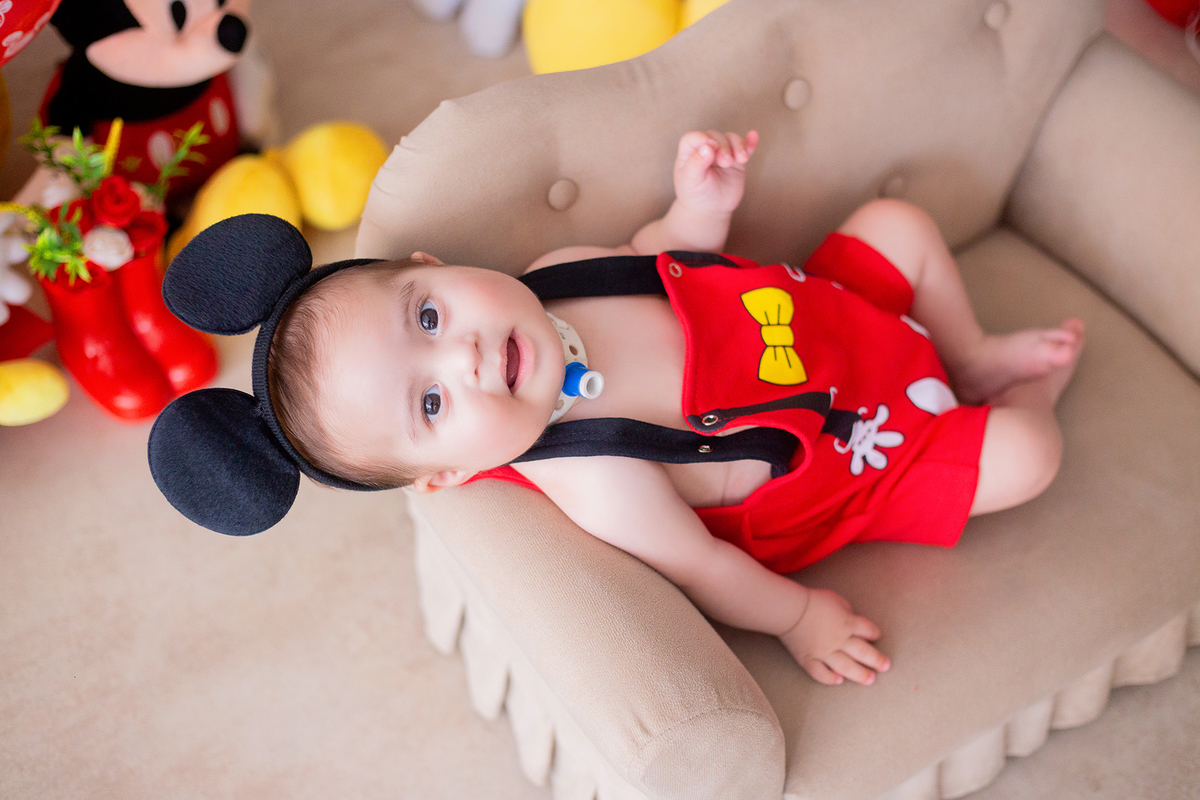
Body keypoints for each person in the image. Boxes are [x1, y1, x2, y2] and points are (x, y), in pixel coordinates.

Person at [264, 130, 1084, 687]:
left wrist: (704, 202)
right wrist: (798, 617)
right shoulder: (595, 473)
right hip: (855, 454)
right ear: (452, 473)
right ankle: (1024, 396)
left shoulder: (560, 270)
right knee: (1027, 457)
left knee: (896, 226)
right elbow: (702, 564)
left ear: (432, 264)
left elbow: (653, 255)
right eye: (433, 400)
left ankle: (967, 351)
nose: (465, 353)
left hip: (833, 320)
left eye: (429, 316)